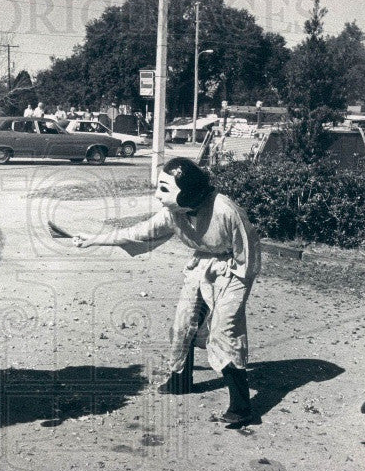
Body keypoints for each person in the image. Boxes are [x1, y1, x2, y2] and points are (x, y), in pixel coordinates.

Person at [73, 157, 261, 427]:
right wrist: (93, 239)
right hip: (202, 263)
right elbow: (139, 231)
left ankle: (242, 407)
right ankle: (180, 380)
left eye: (164, 189)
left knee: (224, 331)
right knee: (183, 322)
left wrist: (234, 294)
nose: (157, 195)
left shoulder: (225, 210)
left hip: (235, 269)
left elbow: (249, 254)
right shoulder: (174, 213)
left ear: (187, 191)